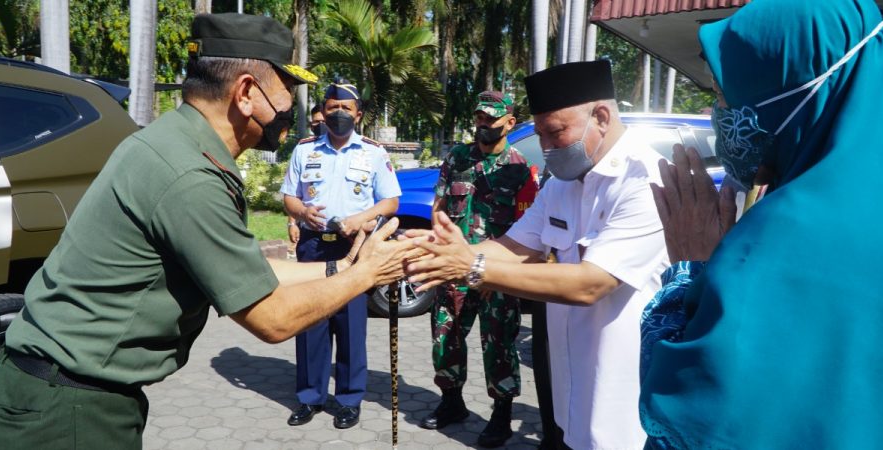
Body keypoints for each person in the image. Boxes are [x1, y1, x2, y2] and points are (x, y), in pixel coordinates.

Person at [0, 14, 414, 450]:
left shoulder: (172, 140)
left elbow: (244, 269)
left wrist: (343, 265)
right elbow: (273, 317)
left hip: (57, 388)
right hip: (67, 408)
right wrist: (367, 276)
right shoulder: (190, 174)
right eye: (287, 89)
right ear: (246, 92)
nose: (293, 108)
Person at [639, 0, 883, 447]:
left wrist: (691, 269)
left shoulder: (785, 241)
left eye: (724, 96)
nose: (717, 116)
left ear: (798, 95)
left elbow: (691, 415)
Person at [406, 60, 670, 450]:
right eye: (541, 134)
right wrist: (447, 254)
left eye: (555, 132)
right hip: (570, 393)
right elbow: (516, 245)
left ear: (600, 116)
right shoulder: (563, 183)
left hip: (622, 403)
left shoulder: (644, 179)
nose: (545, 147)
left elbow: (591, 283)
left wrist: (472, 267)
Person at [280, 80, 401, 429]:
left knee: (350, 326)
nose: (338, 113)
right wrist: (302, 213)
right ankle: (309, 397)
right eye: (332, 107)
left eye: (346, 108)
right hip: (314, 246)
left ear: (358, 114)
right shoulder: (304, 150)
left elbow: (391, 201)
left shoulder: (374, 153)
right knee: (311, 321)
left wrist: (363, 218)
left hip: (354, 246)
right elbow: (289, 196)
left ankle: (349, 400)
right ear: (323, 111)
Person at [421, 91, 538, 447]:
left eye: (491, 119)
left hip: (496, 275)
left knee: (499, 344)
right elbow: (440, 206)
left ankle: (501, 415)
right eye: (479, 118)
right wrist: (440, 252)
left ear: (509, 123)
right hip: (453, 270)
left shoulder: (520, 168)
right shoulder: (457, 157)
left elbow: (527, 228)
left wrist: (494, 272)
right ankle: (451, 403)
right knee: (445, 338)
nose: (483, 125)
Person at [287, 105, 326, 244]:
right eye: (316, 122)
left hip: (345, 236)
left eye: (324, 121)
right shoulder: (304, 150)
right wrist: (292, 223)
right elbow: (294, 193)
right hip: (311, 235)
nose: (321, 125)